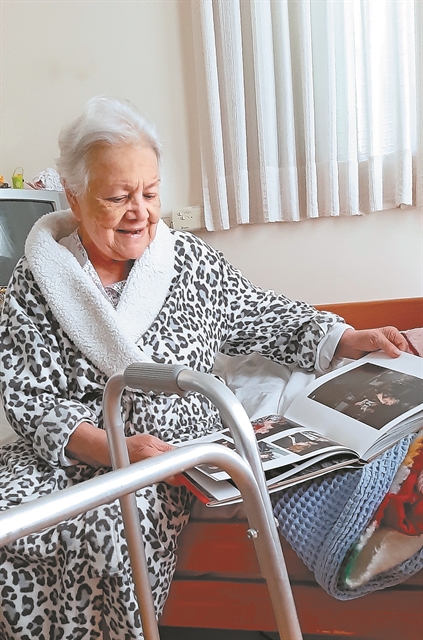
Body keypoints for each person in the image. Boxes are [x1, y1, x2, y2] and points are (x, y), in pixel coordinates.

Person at [0, 95, 410, 640]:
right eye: (118, 197)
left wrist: (344, 337)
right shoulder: (38, 278)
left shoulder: (188, 261)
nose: (140, 211)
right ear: (74, 197)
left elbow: (258, 313)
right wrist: (108, 446)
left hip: (165, 457)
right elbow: (27, 393)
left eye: (150, 193)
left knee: (107, 536)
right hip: (71, 450)